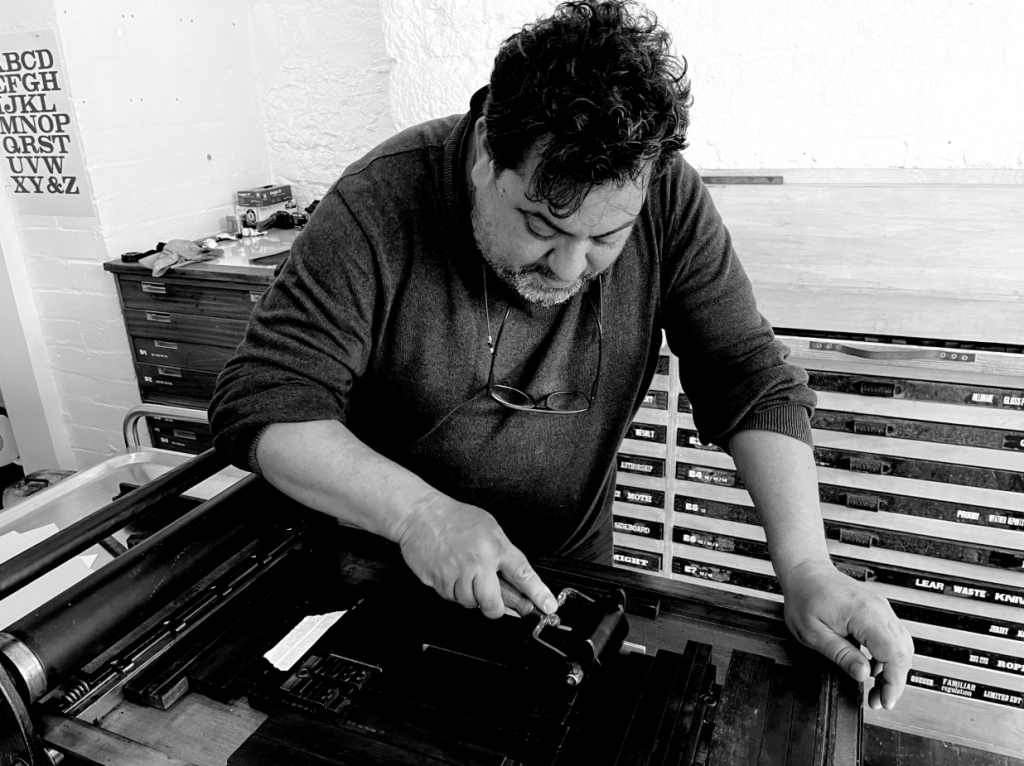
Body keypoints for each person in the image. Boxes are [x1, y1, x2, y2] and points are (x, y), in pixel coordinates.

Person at [210, 0, 914, 710]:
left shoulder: (666, 193)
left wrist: (806, 566)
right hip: (381, 573)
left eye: (605, 237)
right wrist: (418, 514)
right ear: (486, 156)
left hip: (565, 580)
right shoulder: (376, 206)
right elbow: (264, 402)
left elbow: (747, 375)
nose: (571, 268)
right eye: (542, 225)